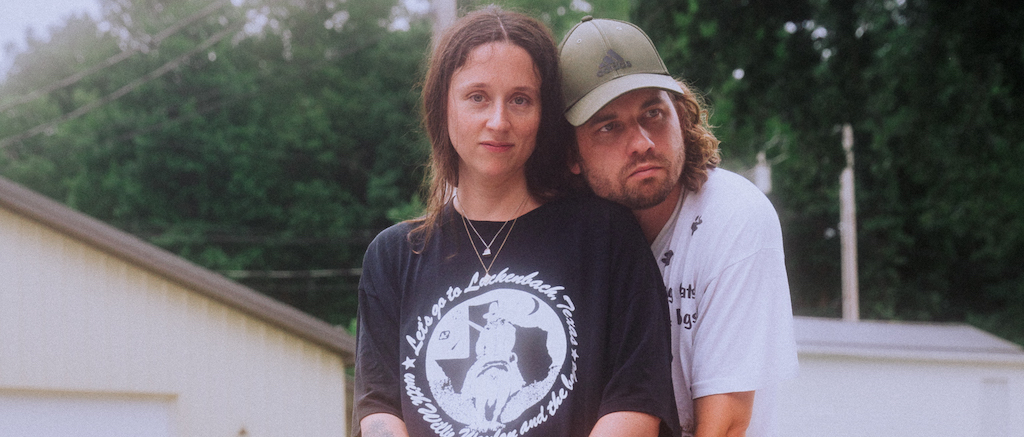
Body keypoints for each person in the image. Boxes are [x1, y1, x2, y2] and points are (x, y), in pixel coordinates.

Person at [352, 7, 679, 437]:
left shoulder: (606, 238)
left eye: (520, 99)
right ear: (442, 107)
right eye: (477, 97)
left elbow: (636, 401)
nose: (498, 121)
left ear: (544, 114)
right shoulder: (394, 256)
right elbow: (378, 409)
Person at [558, 17, 799, 437]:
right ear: (571, 154)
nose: (642, 143)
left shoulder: (731, 215)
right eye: (609, 126)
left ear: (682, 115)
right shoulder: (563, 236)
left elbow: (724, 428)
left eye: (653, 113)